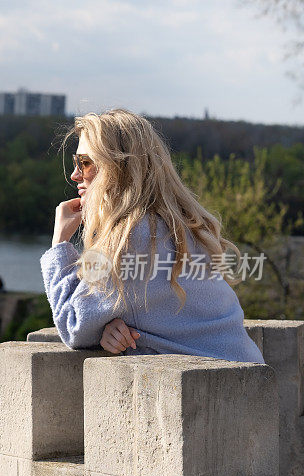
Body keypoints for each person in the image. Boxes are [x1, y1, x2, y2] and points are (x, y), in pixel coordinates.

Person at [39, 109, 264, 364]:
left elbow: (74, 324)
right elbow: (157, 312)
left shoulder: (128, 239)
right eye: (76, 161)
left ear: (117, 169)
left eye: (86, 162)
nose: (75, 174)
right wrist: (108, 326)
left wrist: (59, 244)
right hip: (251, 382)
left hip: (202, 394)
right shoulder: (187, 226)